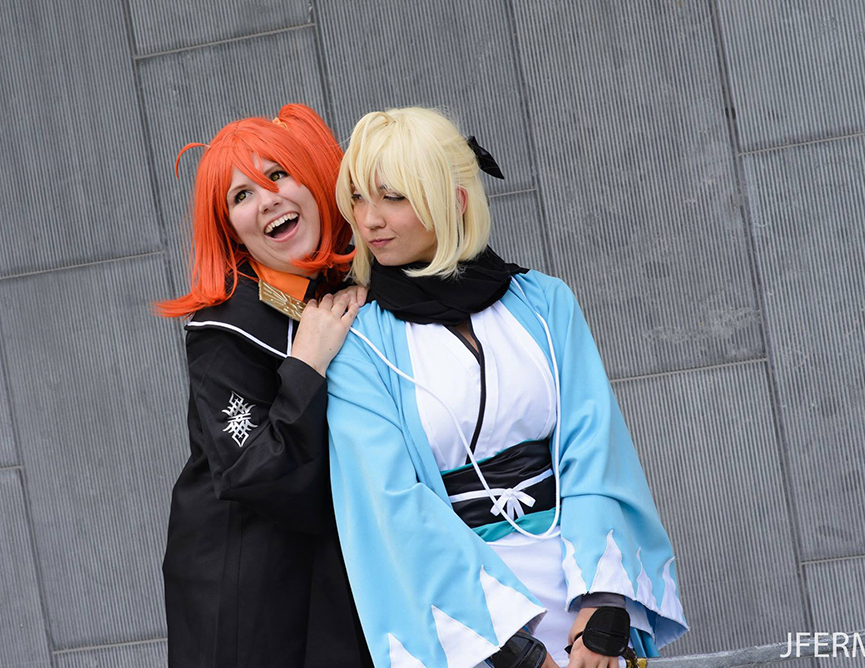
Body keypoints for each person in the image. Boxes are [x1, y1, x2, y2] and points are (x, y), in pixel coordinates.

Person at [325, 107, 688, 668]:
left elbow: (596, 449)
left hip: (580, 587)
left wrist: (604, 604)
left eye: (392, 197)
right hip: (468, 627)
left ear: (455, 199)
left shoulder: (545, 303)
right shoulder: (359, 346)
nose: (369, 219)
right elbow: (390, 507)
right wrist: (514, 650)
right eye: (356, 198)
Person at [156, 104, 372, 668]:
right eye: (241, 195)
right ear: (231, 228)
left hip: (333, 585)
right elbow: (255, 472)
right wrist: (307, 364)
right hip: (247, 598)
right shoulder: (223, 331)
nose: (267, 199)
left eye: (278, 174)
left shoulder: (352, 292)